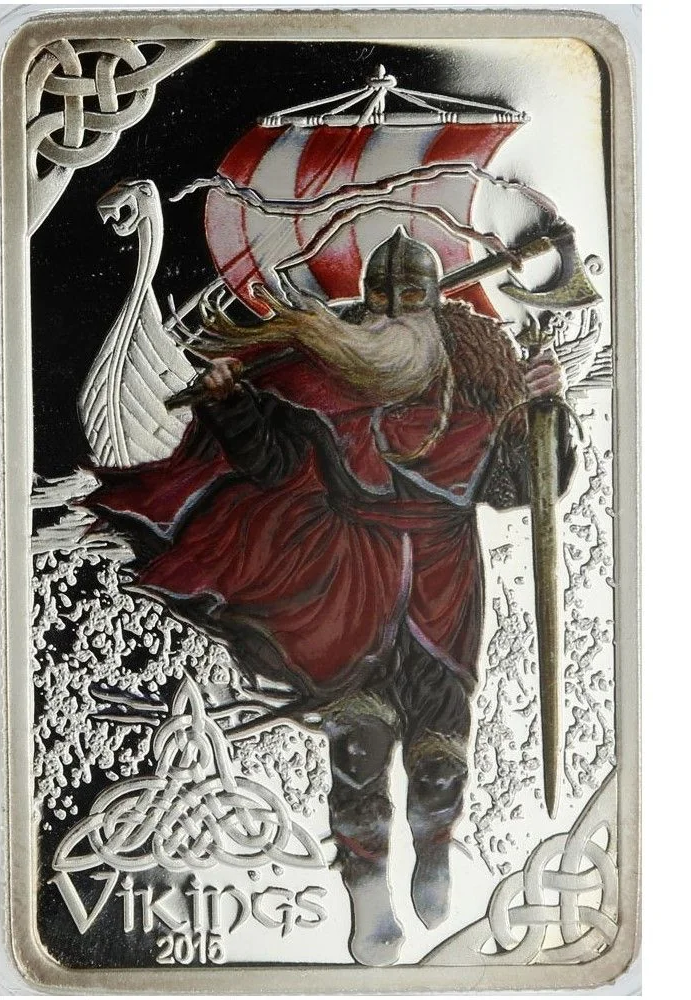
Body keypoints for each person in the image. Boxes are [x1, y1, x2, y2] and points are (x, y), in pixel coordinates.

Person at [83, 228, 575, 965]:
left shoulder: (476, 388)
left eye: (410, 300)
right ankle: (367, 888)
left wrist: (547, 413)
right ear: (364, 304)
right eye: (380, 300)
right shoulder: (323, 379)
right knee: (360, 744)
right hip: (347, 586)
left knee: (440, 754)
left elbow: (523, 487)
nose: (393, 315)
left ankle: (435, 849)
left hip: (444, 588)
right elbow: (273, 462)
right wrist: (232, 403)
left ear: (434, 306)